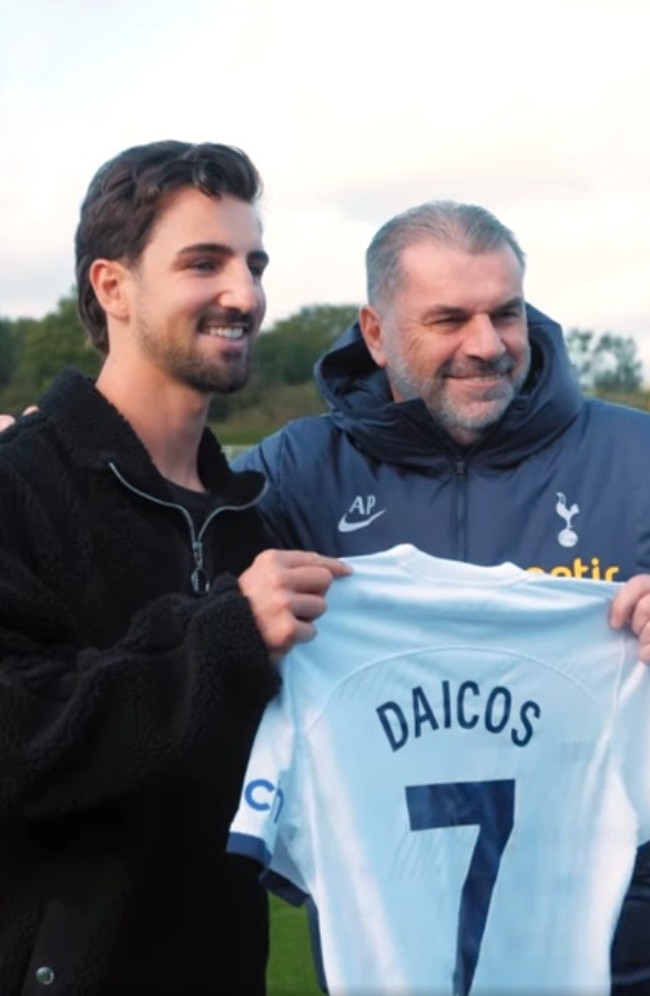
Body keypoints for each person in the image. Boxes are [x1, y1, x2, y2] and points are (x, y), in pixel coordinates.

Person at [234, 200, 650, 993]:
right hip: (393, 959)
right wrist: (50, 465)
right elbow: (156, 581)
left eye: (507, 314)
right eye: (450, 318)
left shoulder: (638, 460)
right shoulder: (295, 475)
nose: (488, 345)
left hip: (616, 958)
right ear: (377, 332)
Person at [0, 140, 347, 995]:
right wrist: (224, 639)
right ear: (112, 286)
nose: (246, 294)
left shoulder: (252, 527)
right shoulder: (20, 486)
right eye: (205, 262)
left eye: (254, 263)